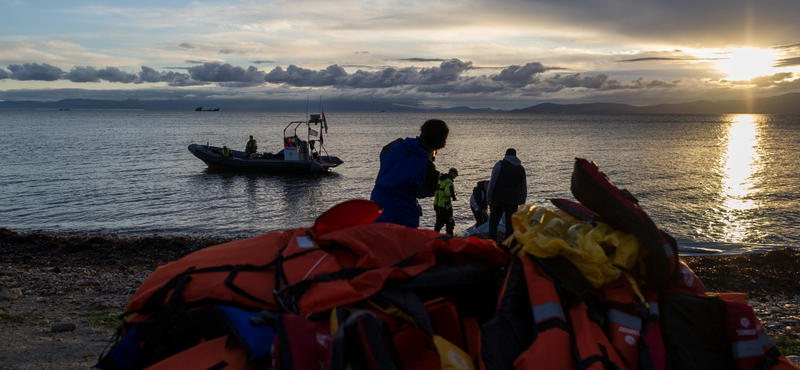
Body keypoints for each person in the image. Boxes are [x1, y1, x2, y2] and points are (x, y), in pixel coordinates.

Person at [370, 119, 449, 228]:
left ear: (422, 131)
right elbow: (425, 192)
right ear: (442, 143)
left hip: (376, 207)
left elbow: (383, 156)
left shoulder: (395, 144)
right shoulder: (427, 166)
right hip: (403, 216)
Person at [487, 148, 527, 243]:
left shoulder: (500, 164)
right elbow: (523, 187)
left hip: (498, 200)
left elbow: (492, 182)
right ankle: (508, 245)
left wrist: (489, 197)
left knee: (493, 223)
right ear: (515, 156)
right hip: (513, 201)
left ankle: (492, 244)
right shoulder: (521, 169)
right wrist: (522, 202)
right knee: (510, 225)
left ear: (505, 155)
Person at [433, 168, 459, 235]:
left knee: (439, 222)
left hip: (437, 204)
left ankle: (434, 236)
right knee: (449, 222)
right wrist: (454, 194)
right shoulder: (448, 181)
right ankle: (449, 238)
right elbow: (449, 193)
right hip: (445, 206)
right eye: (455, 175)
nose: (455, 177)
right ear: (452, 173)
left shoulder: (440, 179)